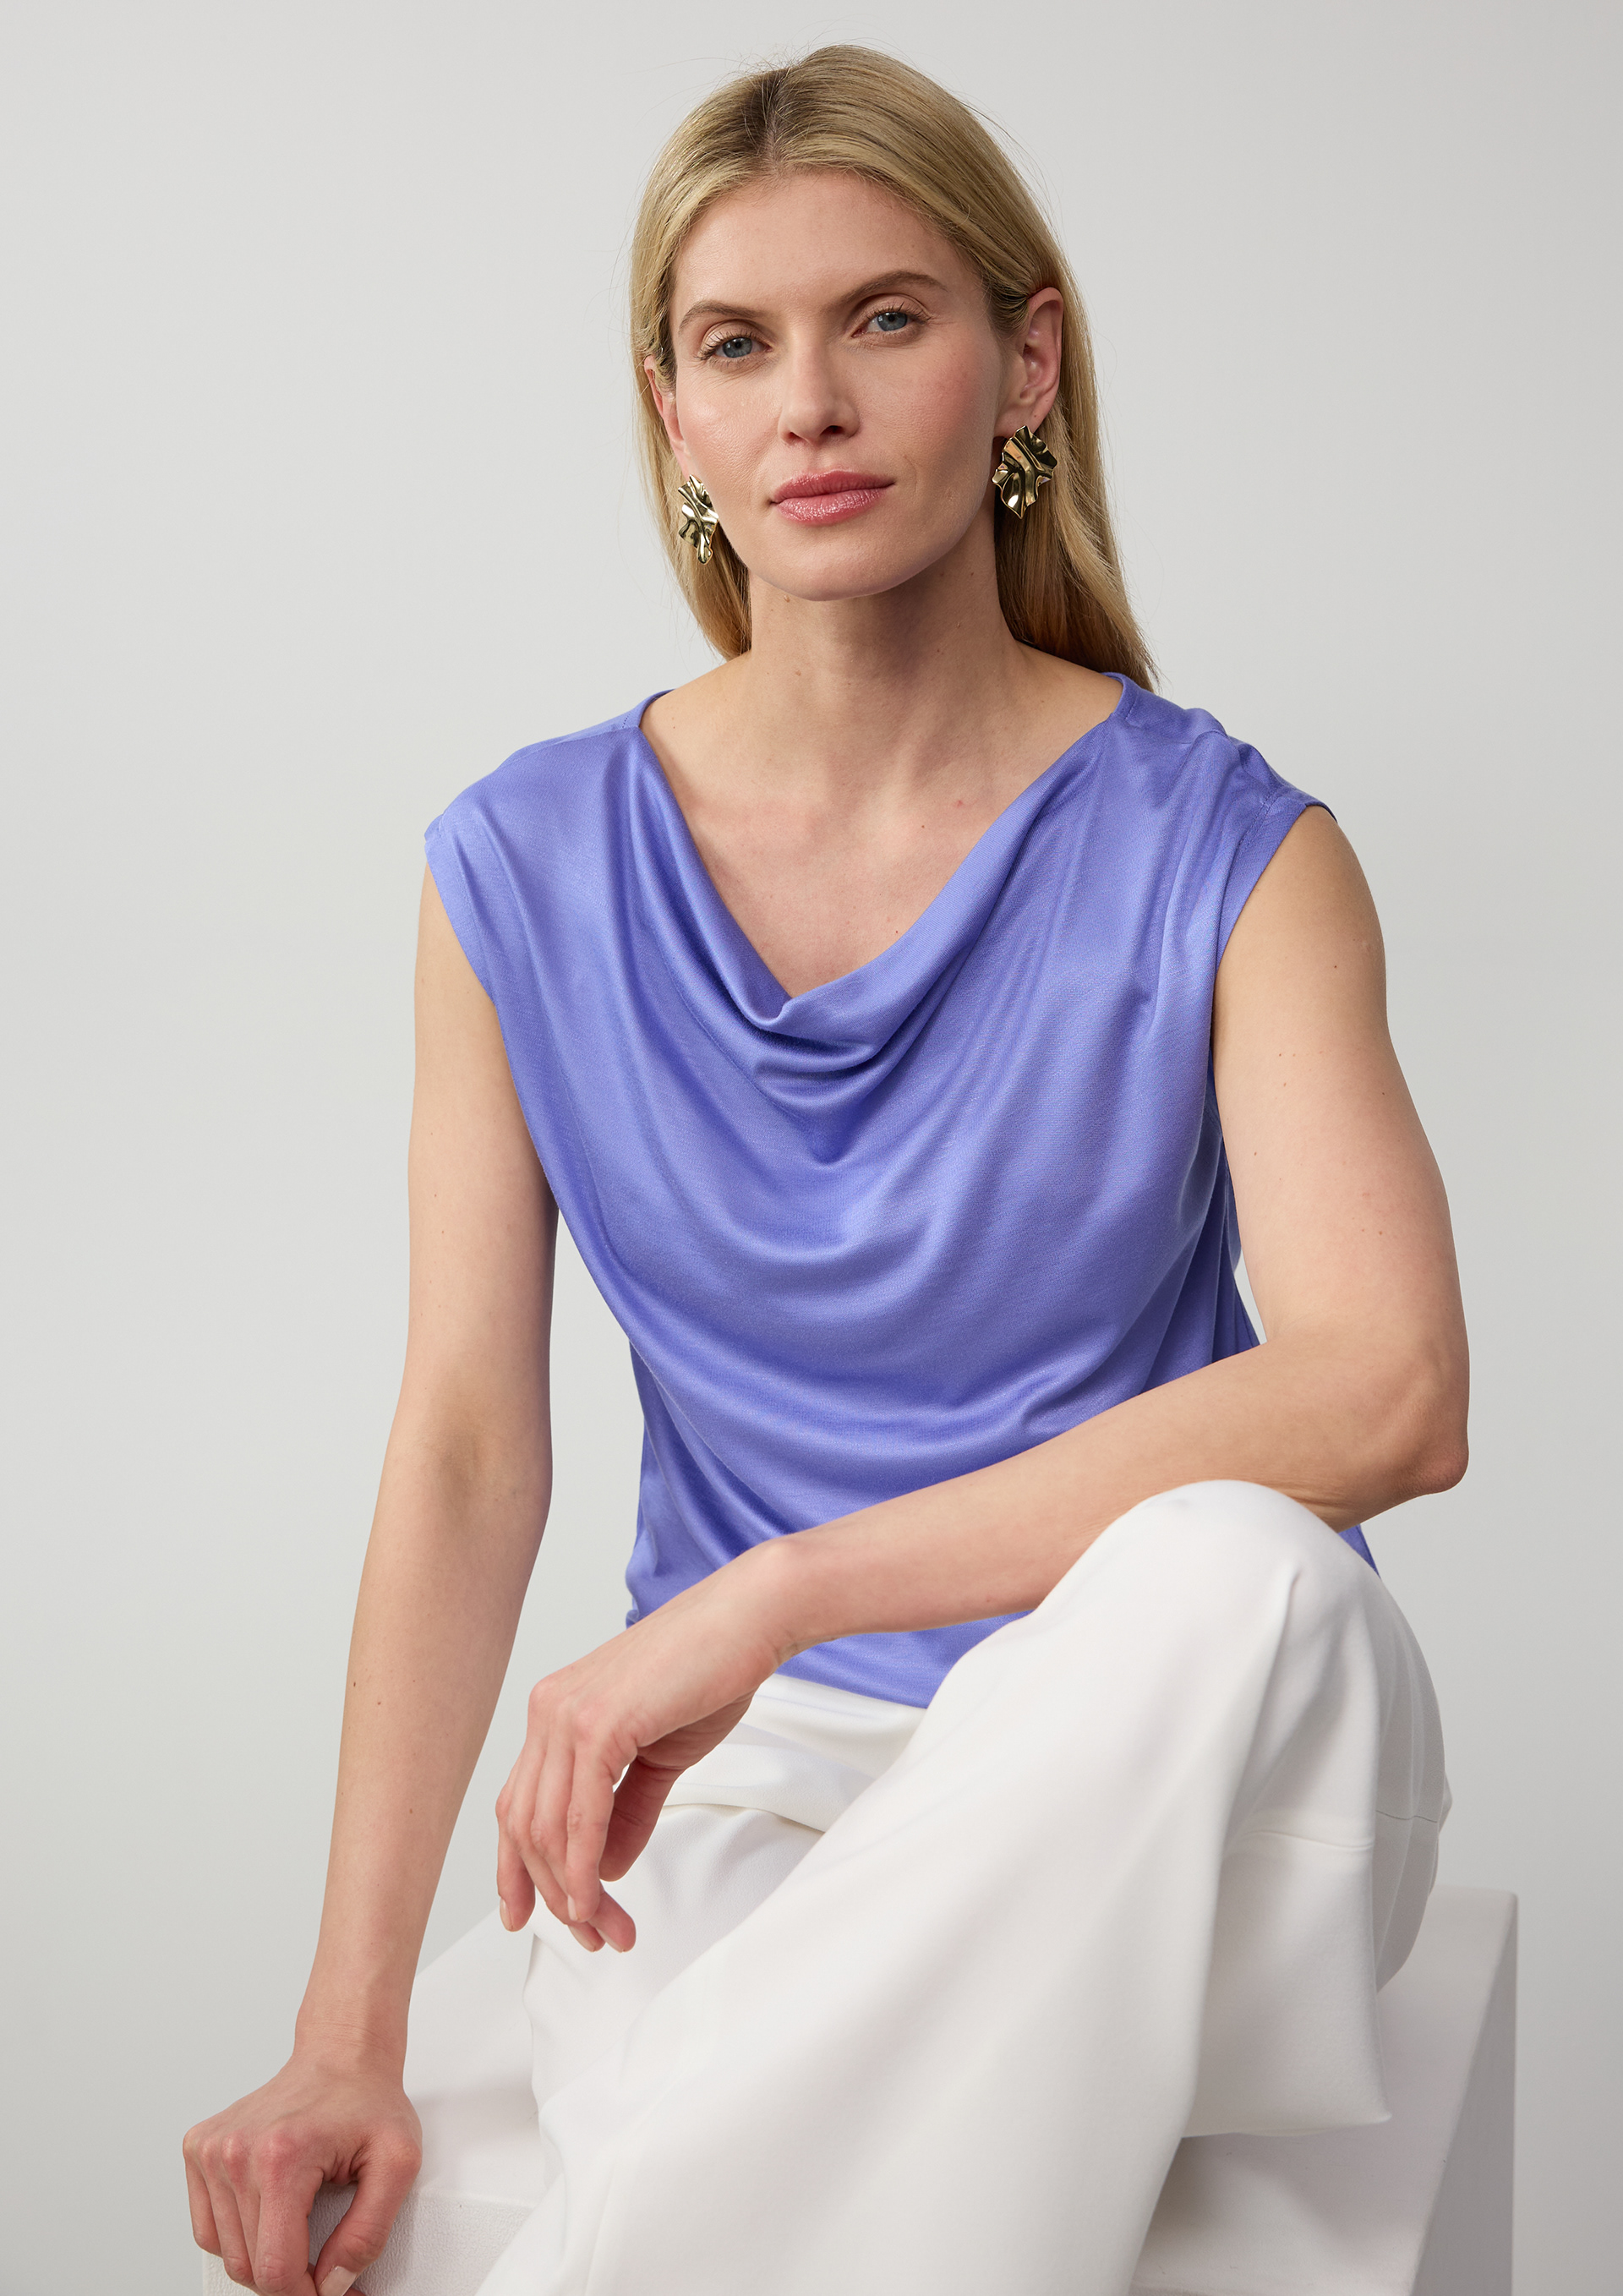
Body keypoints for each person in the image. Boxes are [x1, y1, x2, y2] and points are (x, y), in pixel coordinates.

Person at [183, 45, 1464, 2296]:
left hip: (1189, 1782)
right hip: (755, 1796)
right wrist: (345, 2030)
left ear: (1026, 363)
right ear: (671, 414)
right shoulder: (522, 867)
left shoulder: (1236, 852)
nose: (812, 405)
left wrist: (773, 1591)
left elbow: (1390, 1392)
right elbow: (469, 1447)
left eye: (885, 318)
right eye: (735, 343)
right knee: (792, 2108)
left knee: (1234, 1568)